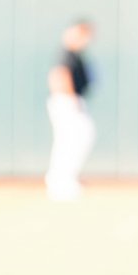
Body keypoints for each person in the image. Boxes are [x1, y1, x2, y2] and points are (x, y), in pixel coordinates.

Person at [44, 18, 97, 200]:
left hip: (70, 101)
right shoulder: (65, 53)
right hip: (66, 101)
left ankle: (65, 179)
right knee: (69, 141)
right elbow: (58, 76)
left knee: (79, 138)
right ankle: (59, 181)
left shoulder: (74, 54)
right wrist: (70, 100)